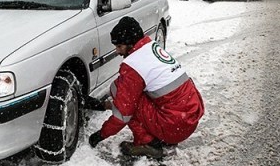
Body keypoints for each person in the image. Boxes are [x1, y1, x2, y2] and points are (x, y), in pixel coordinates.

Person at [87, 16, 205, 158]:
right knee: (129, 94)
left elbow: (124, 112)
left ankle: (148, 143)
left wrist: (100, 135)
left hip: (174, 126)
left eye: (119, 46)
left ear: (130, 43)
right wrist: (106, 105)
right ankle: (161, 136)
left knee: (117, 88)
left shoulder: (133, 65)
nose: (117, 52)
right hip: (188, 119)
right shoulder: (151, 47)